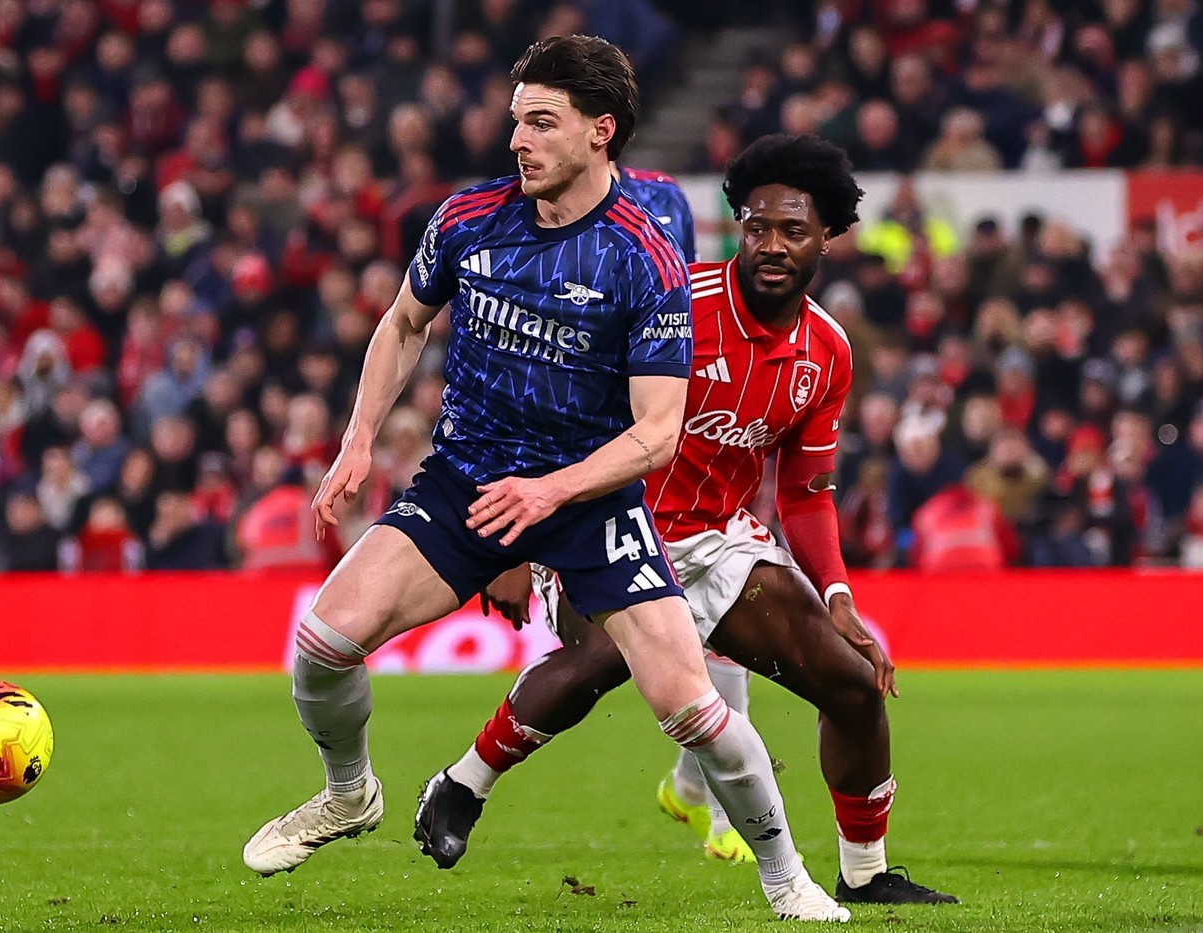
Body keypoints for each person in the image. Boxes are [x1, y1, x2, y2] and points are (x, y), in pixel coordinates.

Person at [242, 37, 849, 923]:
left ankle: (788, 879)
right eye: (516, 120)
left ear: (600, 132)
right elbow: (405, 322)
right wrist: (359, 437)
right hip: (466, 481)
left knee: (691, 705)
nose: (517, 140)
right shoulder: (467, 218)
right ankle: (348, 793)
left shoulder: (644, 258)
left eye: (541, 122)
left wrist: (550, 493)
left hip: (591, 503)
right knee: (322, 643)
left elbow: (656, 434)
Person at [414, 134, 957, 906]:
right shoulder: (671, 301)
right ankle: (463, 783)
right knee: (606, 658)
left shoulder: (827, 352)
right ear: (737, 229)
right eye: (757, 228)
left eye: (792, 230)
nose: (771, 245)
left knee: (853, 682)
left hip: (716, 541)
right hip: (604, 528)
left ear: (827, 238)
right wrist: (514, 545)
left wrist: (837, 595)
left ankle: (865, 873)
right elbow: (546, 407)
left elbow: (805, 492)